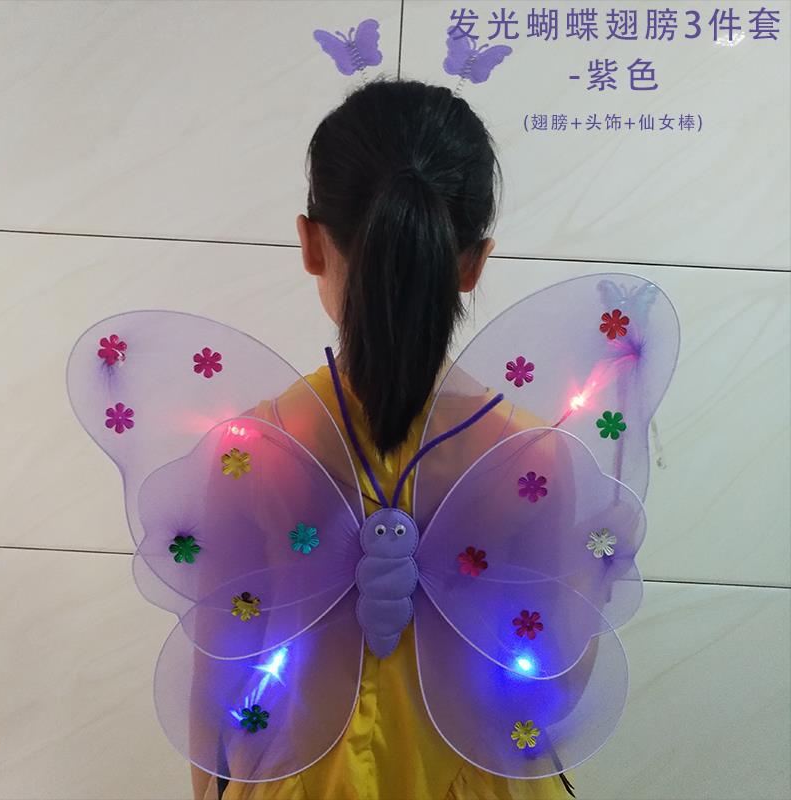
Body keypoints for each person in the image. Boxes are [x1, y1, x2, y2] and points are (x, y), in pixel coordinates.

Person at [193, 78, 575, 800]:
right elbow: (559, 671)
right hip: (484, 776)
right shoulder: (536, 457)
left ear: (311, 243)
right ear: (474, 262)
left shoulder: (248, 449)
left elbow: (218, 672)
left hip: (298, 777)